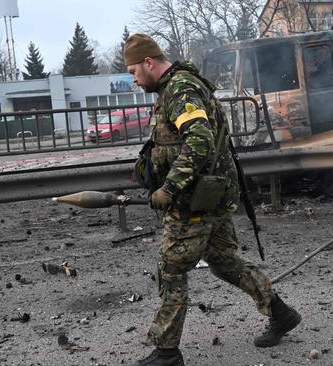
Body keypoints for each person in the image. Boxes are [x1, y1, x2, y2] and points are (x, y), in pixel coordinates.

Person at [124, 34, 301, 366]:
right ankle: (281, 313)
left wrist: (170, 188)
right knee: (223, 261)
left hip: (195, 200)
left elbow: (200, 141)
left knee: (172, 266)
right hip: (212, 194)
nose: (133, 79)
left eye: (134, 71)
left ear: (149, 63)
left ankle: (167, 352)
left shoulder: (179, 89)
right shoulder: (179, 86)